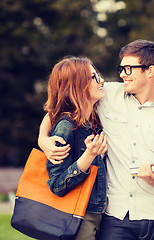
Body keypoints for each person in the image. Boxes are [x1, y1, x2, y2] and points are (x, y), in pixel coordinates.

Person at [38, 40, 154, 240]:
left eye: (128, 69)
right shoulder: (107, 93)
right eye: (121, 68)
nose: (122, 74)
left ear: (150, 71)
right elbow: (66, 101)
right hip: (115, 216)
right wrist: (42, 137)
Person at [44, 56, 107, 240]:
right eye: (94, 77)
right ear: (77, 85)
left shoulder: (94, 121)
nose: (101, 80)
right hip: (78, 218)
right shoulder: (66, 126)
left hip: (99, 214)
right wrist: (88, 156)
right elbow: (56, 185)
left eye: (99, 75)